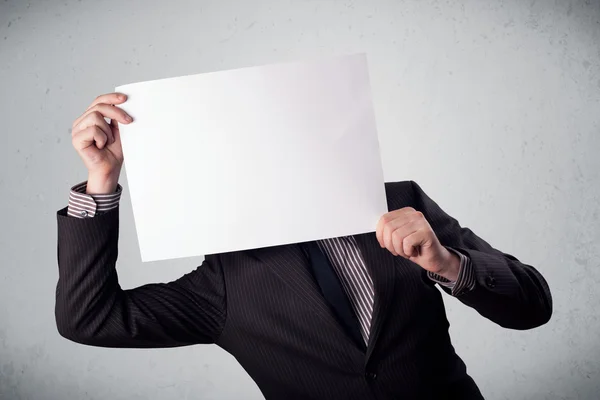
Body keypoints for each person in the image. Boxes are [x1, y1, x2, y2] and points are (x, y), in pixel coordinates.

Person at [55, 92, 553, 400]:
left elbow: (532, 306)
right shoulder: (226, 281)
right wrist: (102, 182)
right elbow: (90, 318)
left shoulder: (400, 204)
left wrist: (448, 263)